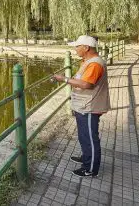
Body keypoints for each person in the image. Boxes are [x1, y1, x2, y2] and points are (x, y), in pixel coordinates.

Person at [53, 35, 110, 177]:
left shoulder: (95, 64)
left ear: (86, 48)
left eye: (77, 46)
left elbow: (86, 84)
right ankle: (86, 158)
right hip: (84, 106)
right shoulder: (88, 61)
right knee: (84, 136)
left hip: (89, 107)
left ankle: (90, 169)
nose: (75, 49)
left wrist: (64, 79)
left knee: (90, 138)